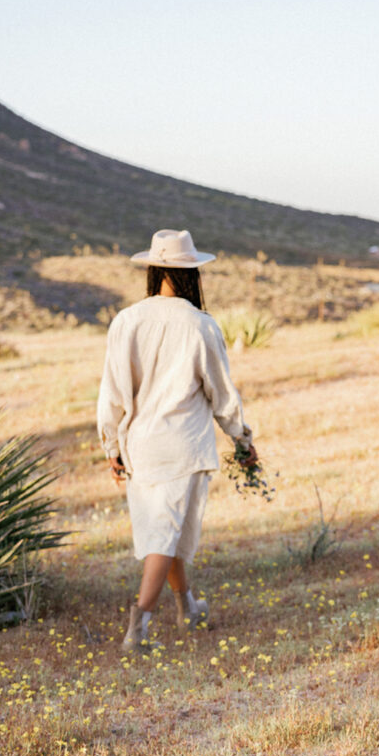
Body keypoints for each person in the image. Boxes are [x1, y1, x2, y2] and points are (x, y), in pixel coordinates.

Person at [97, 229, 258, 650]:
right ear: (191, 274)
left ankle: (187, 607)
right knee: (164, 535)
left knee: (165, 532)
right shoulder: (200, 325)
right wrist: (242, 439)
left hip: (140, 445)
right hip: (183, 445)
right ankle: (139, 625)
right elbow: (222, 395)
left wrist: (111, 446)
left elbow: (111, 393)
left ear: (153, 269)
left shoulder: (126, 321)